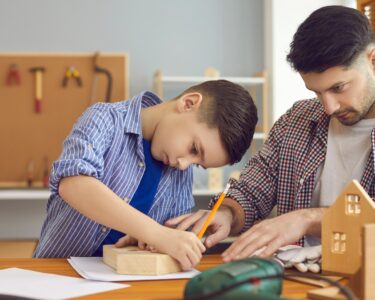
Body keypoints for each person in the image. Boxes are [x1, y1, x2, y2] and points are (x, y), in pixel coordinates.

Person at [166, 5, 375, 263]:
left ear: (372, 60)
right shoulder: (296, 121)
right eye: (317, 93)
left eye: (339, 87)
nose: (329, 107)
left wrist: (307, 220)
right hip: (294, 281)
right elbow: (252, 192)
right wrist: (229, 213)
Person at [33, 80, 258, 270]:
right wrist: (156, 234)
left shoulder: (180, 170)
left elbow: (165, 237)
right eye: (194, 149)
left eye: (198, 164)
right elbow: (74, 184)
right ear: (188, 103)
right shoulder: (104, 119)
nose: (184, 164)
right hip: (56, 274)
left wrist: (155, 242)